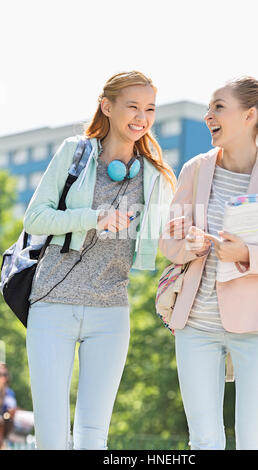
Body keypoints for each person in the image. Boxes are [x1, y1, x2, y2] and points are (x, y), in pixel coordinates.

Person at [24, 71, 176, 450]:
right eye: (133, 107)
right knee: (52, 433)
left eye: (150, 109)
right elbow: (35, 218)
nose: (142, 117)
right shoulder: (75, 152)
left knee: (94, 436)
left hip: (111, 311)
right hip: (53, 305)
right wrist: (94, 217)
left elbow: (165, 236)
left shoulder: (153, 176)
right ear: (107, 107)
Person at [159, 76, 258, 450]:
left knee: (254, 441)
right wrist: (187, 246)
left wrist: (246, 255)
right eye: (208, 108)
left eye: (219, 107)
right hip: (196, 325)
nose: (208, 116)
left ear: (249, 115)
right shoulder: (195, 169)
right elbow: (168, 241)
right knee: (204, 441)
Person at [0, 363, 17, 450]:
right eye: (0, 374)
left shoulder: (9, 393)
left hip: (5, 433)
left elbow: (11, 411)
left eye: (5, 374)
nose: (3, 377)